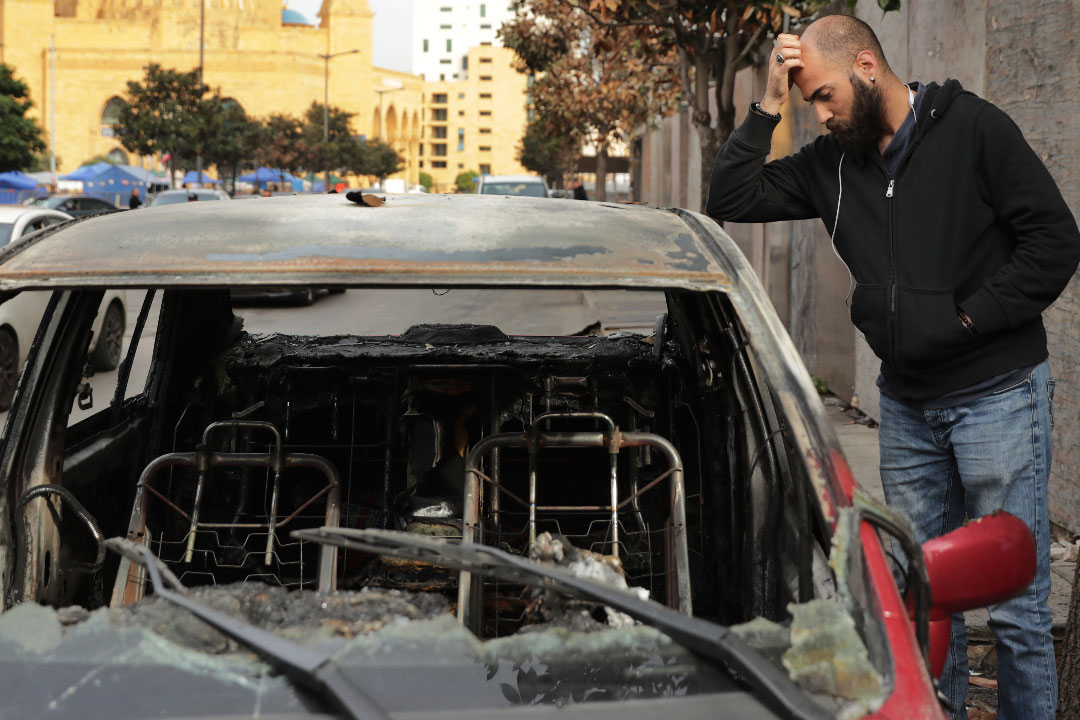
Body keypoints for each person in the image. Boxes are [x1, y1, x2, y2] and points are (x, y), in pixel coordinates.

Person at [706, 14, 1079, 719]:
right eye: (807, 99)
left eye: (822, 95)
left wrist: (968, 317)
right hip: (907, 408)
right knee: (922, 604)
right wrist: (767, 103)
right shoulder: (830, 164)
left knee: (1016, 612)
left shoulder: (974, 130)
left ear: (868, 67)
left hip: (999, 396)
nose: (818, 113)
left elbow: (1055, 241)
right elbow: (729, 197)